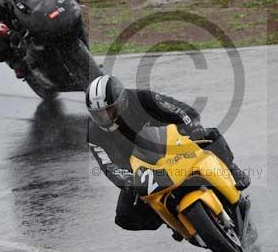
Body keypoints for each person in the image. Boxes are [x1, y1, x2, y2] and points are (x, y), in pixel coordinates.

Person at [87, 74, 250, 233]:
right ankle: (170, 216)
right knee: (125, 217)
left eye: (109, 110)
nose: (104, 117)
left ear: (122, 101)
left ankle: (232, 170)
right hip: (139, 169)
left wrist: (193, 128)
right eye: (98, 114)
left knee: (209, 135)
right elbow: (107, 165)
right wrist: (127, 181)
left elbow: (181, 110)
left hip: (173, 144)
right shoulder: (93, 133)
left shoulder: (143, 99)